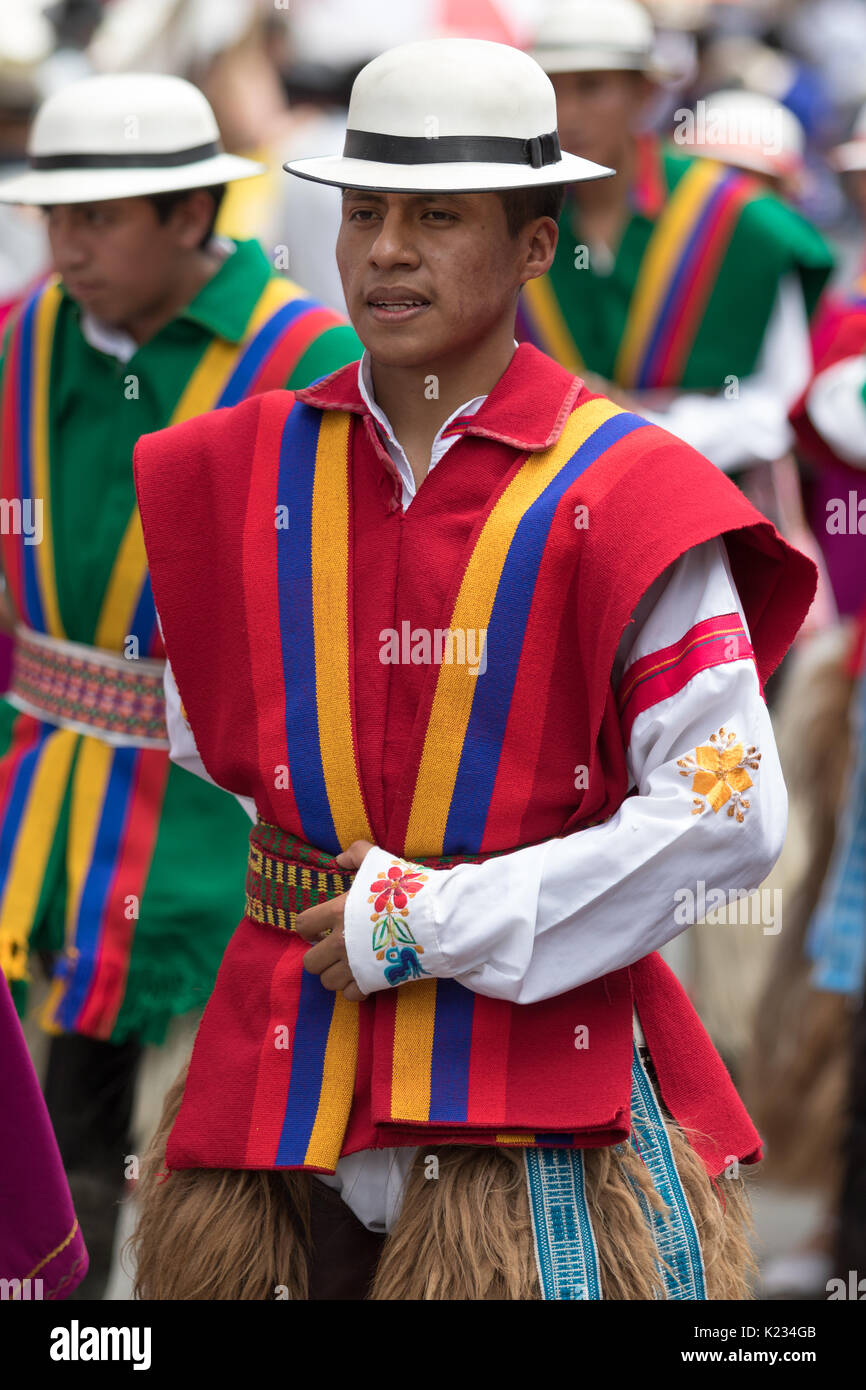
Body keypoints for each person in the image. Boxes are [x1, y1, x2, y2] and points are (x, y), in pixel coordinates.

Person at [131, 36, 816, 1301]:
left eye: (437, 216)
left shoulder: (632, 493)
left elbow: (726, 811)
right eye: (364, 211)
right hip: (279, 1089)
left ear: (536, 245)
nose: (386, 248)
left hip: (524, 1104)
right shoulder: (224, 472)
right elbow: (197, 733)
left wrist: (434, 918)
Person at [0, 71, 361, 1295]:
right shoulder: (21, 332)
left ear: (194, 214)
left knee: (238, 1145)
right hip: (40, 788)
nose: (65, 245)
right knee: (56, 1126)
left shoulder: (311, 360)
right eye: (53, 216)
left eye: (97, 218)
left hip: (229, 812)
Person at [519, 0, 834, 477]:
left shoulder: (744, 221)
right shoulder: (508, 217)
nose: (569, 113)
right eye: (551, 92)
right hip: (542, 502)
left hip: (711, 499)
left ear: (644, 93)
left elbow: (773, 403)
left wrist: (638, 429)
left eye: (591, 87)